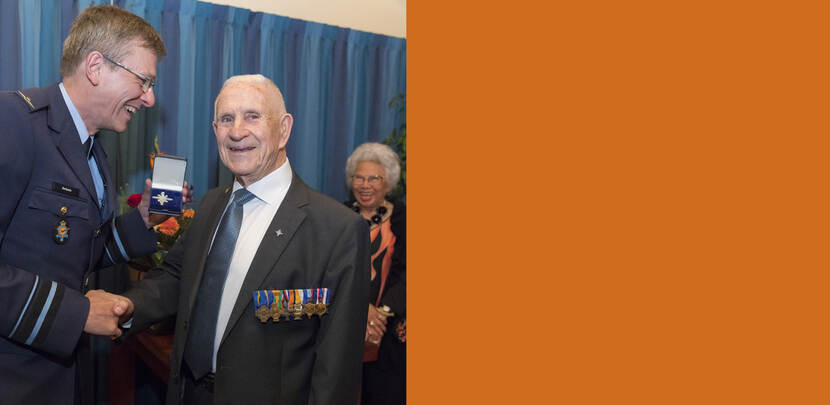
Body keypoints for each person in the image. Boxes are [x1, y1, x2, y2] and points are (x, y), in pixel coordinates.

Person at [121, 74, 370, 404]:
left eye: (253, 116)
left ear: (284, 129)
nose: (237, 131)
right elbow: (177, 279)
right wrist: (124, 308)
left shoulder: (338, 230)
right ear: (215, 130)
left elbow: (336, 370)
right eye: (226, 119)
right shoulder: (211, 204)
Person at [0, 5, 186, 405]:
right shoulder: (12, 121)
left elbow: (74, 251)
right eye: (144, 81)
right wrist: (77, 313)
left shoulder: (92, 151)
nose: (150, 98)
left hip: (66, 376)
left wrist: (142, 220)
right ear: (96, 67)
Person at [344, 142, 407, 405]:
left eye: (374, 178)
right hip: (345, 327)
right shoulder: (337, 217)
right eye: (359, 177)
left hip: (389, 329)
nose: (365, 185)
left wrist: (379, 315)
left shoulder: (405, 219)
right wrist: (363, 309)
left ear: (388, 182)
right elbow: (328, 271)